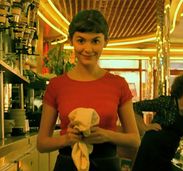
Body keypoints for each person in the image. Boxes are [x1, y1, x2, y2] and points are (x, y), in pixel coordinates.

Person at [37, 9, 140, 171]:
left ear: (105, 41)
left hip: (107, 164)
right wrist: (67, 139)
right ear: (71, 41)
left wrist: (106, 135)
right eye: (81, 40)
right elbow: (42, 143)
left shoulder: (118, 84)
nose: (88, 48)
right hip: (68, 164)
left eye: (95, 41)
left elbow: (135, 140)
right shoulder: (57, 85)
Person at [132, 73, 183, 171]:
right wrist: (144, 127)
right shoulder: (166, 102)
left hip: (168, 152)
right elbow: (135, 106)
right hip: (152, 149)